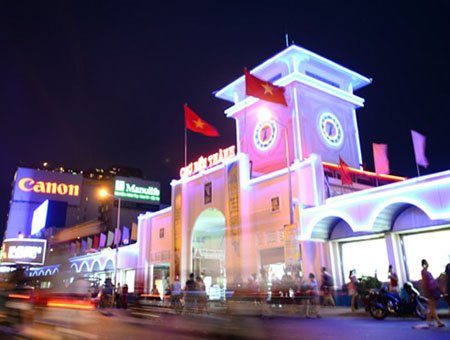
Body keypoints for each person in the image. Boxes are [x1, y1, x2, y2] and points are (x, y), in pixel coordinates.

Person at [420, 259, 445, 328]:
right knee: (432, 307)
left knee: (431, 307)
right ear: (424, 264)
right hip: (430, 291)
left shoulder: (427, 272)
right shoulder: (424, 272)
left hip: (433, 289)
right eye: (426, 263)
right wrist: (426, 291)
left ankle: (429, 321)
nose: (427, 264)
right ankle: (438, 322)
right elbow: (424, 282)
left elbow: (431, 281)